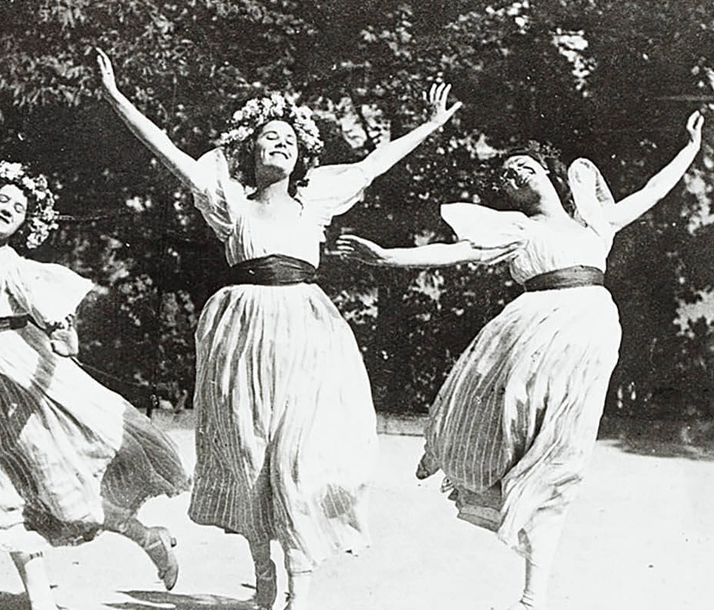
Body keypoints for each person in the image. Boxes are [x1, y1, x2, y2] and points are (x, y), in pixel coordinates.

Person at [95, 49, 462, 609]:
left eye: (289, 139)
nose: (280, 143)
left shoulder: (313, 205)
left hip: (306, 331)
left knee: (297, 459)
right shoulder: (229, 202)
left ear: (302, 154)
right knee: (250, 455)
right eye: (269, 136)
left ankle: (299, 590)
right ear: (250, 150)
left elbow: (373, 164)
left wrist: (429, 126)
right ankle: (263, 577)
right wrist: (118, 98)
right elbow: (167, 151)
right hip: (241, 333)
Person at [335, 111, 705, 610]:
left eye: (523, 167)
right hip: (531, 330)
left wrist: (689, 149)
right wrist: (388, 257)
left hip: (589, 338)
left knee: (562, 457)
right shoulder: (515, 229)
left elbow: (652, 192)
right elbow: (454, 252)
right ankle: (451, 446)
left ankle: (533, 597)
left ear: (548, 173)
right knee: (504, 411)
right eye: (506, 176)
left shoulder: (595, 222)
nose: (514, 176)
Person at [0, 161, 190, 610]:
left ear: (26, 223)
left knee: (61, 487)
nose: (9, 208)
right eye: (3, 198)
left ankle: (148, 538)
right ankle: (41, 602)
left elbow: (53, 315)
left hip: (24, 382)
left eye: (20, 207)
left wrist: (65, 336)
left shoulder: (14, 268)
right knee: (0, 485)